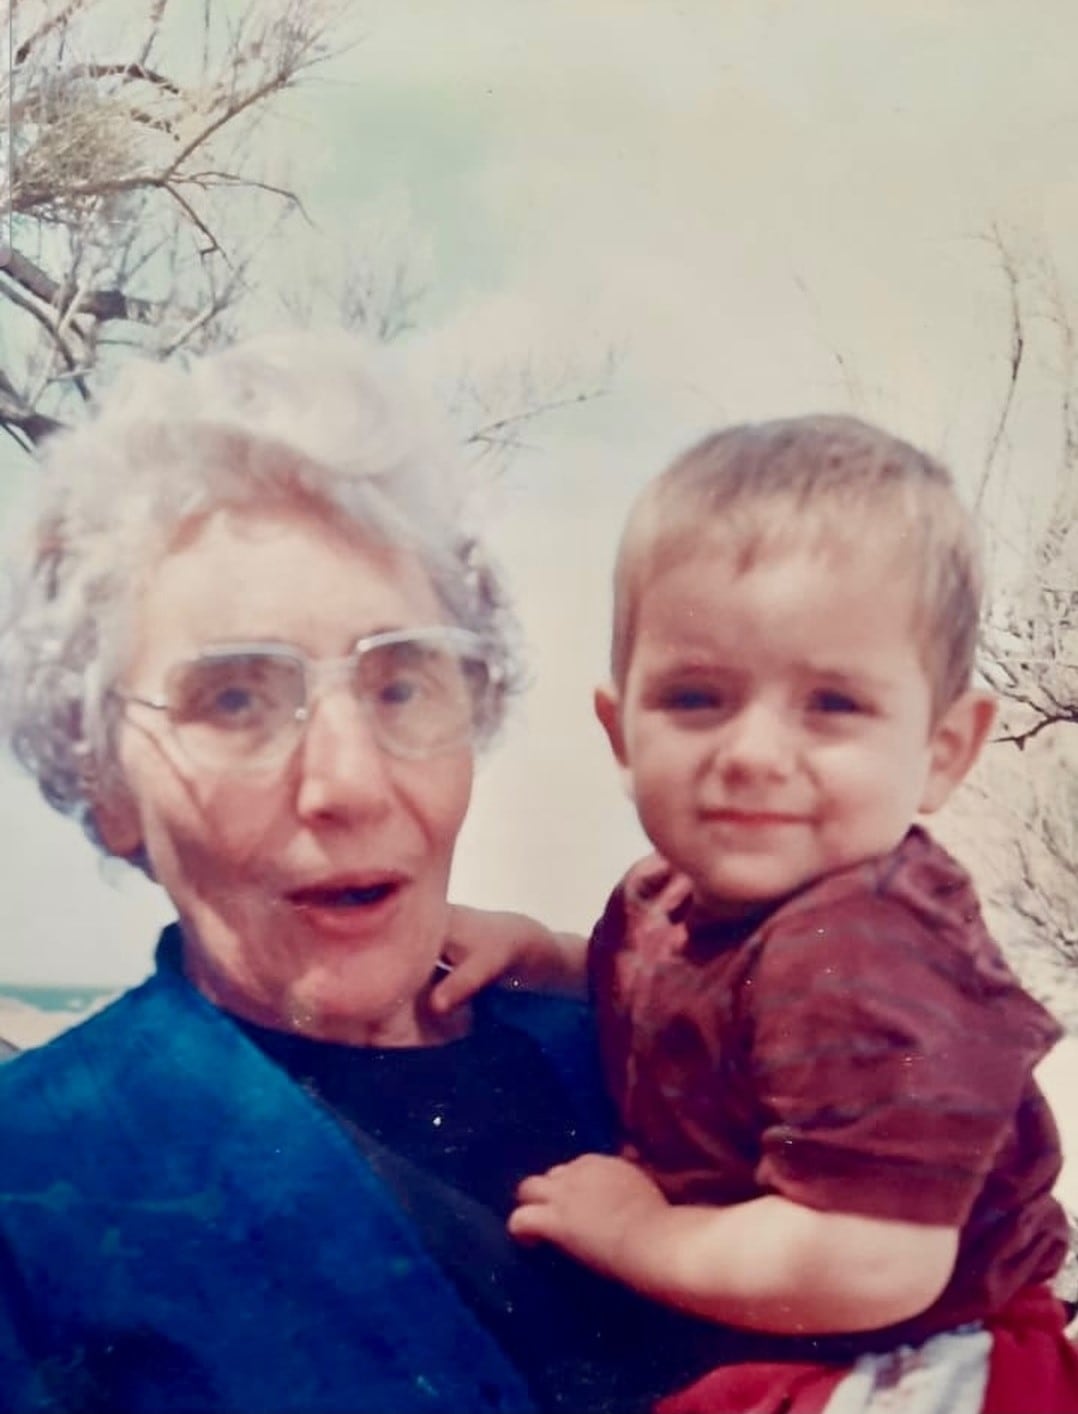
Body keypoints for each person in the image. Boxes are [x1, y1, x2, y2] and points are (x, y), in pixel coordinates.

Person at [0, 331, 749, 1414]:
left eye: (401, 684)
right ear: (104, 783)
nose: (347, 782)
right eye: (235, 699)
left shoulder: (650, 1056)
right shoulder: (31, 1189)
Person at [437, 416, 1078, 1412]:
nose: (753, 752)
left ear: (943, 749)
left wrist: (642, 1238)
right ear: (620, 730)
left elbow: (877, 1259)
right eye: (697, 697)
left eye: (830, 705)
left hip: (927, 1355)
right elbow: (677, 987)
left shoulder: (868, 950)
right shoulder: (670, 896)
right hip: (816, 1333)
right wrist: (543, 953)